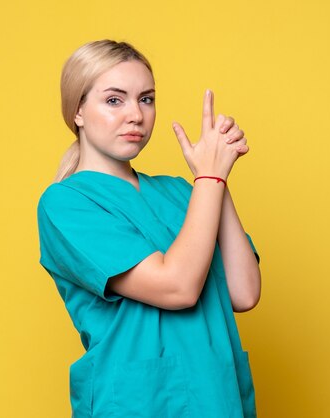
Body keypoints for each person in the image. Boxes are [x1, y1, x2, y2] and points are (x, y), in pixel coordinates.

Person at [37, 39, 261, 418]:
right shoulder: (66, 204)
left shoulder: (181, 191)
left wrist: (217, 175)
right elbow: (177, 287)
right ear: (77, 110)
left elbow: (244, 293)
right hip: (138, 403)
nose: (136, 116)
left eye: (146, 99)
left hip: (217, 399)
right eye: (114, 100)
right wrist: (209, 176)